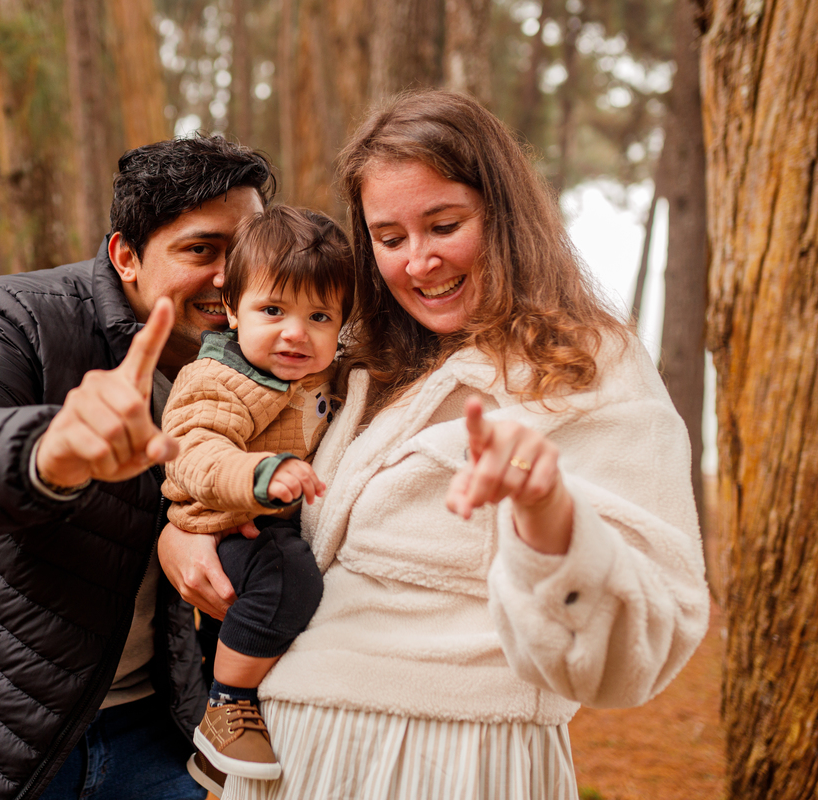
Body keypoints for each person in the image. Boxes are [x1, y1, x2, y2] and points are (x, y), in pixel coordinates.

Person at [159, 90, 711, 799]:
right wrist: (179, 535)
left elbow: (637, 649)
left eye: (443, 225)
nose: (418, 263)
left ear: (504, 216)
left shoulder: (587, 367)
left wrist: (549, 516)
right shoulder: (355, 364)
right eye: (389, 239)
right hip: (288, 754)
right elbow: (217, 445)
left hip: (450, 760)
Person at [0, 134, 273, 800]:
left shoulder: (265, 359)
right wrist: (47, 449)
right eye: (201, 249)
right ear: (126, 257)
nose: (232, 276)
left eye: (248, 250)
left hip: (151, 734)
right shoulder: (21, 315)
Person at [158, 206, 354, 786]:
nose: (296, 332)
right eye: (273, 311)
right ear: (233, 312)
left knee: (264, 602)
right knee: (289, 578)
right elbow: (193, 449)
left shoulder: (319, 372)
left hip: (270, 517)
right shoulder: (220, 378)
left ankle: (219, 738)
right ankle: (226, 706)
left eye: (319, 316)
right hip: (225, 523)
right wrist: (261, 473)